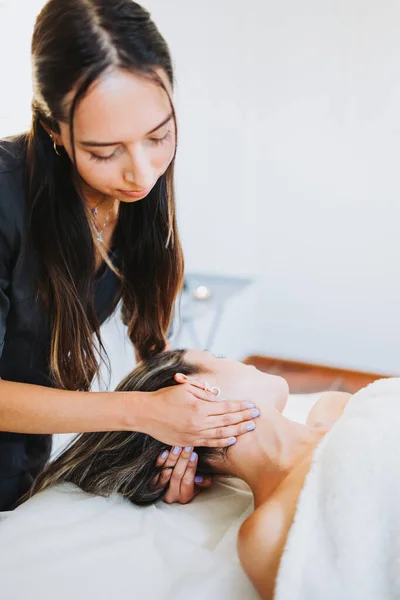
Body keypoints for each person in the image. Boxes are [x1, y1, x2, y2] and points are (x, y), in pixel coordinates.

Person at [0, 0, 259, 511]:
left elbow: (151, 348)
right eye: (104, 152)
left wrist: (170, 448)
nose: (141, 173)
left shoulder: (137, 200)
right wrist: (142, 413)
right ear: (54, 130)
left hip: (25, 466)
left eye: (159, 136)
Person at [23, 348, 350, 599]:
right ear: (199, 390)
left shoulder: (335, 407)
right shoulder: (267, 535)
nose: (238, 360)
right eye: (217, 357)